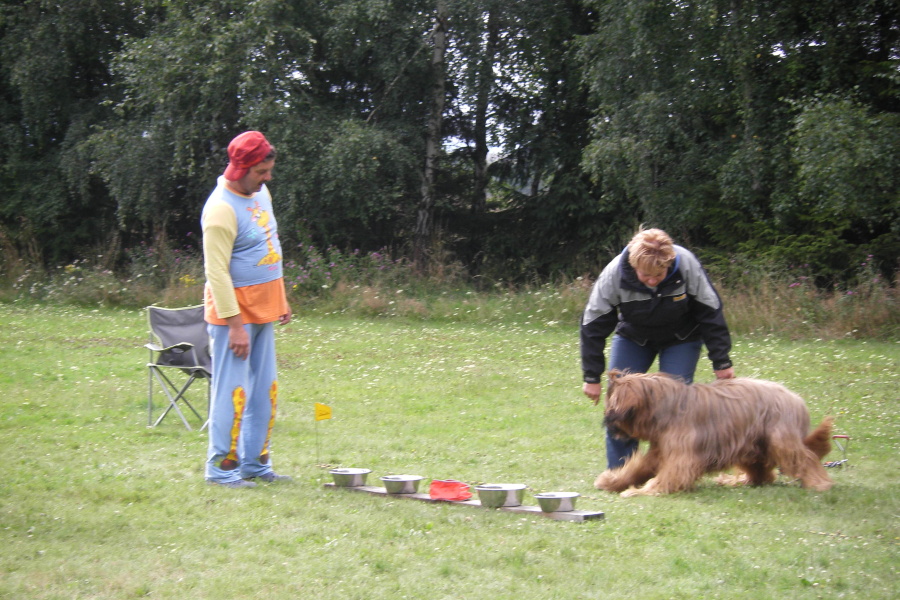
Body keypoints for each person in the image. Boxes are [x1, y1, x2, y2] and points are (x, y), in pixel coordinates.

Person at [580, 227, 735, 470]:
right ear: (633, 265)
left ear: (669, 263)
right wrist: (591, 376)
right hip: (634, 337)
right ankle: (620, 473)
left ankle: (670, 470)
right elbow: (592, 326)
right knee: (620, 407)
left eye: (659, 274)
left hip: (681, 339)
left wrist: (722, 362)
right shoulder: (614, 275)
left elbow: (710, 312)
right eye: (646, 275)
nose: (653, 280)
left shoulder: (686, 265)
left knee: (675, 409)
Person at [202, 130, 293, 488]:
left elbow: (270, 243)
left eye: (268, 170)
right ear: (240, 168)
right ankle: (221, 469)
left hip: (265, 308)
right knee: (233, 392)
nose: (268, 177)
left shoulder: (260, 192)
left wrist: (281, 297)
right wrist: (235, 326)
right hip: (233, 318)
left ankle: (255, 464)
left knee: (264, 390)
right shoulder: (220, 210)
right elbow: (216, 273)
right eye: (261, 172)